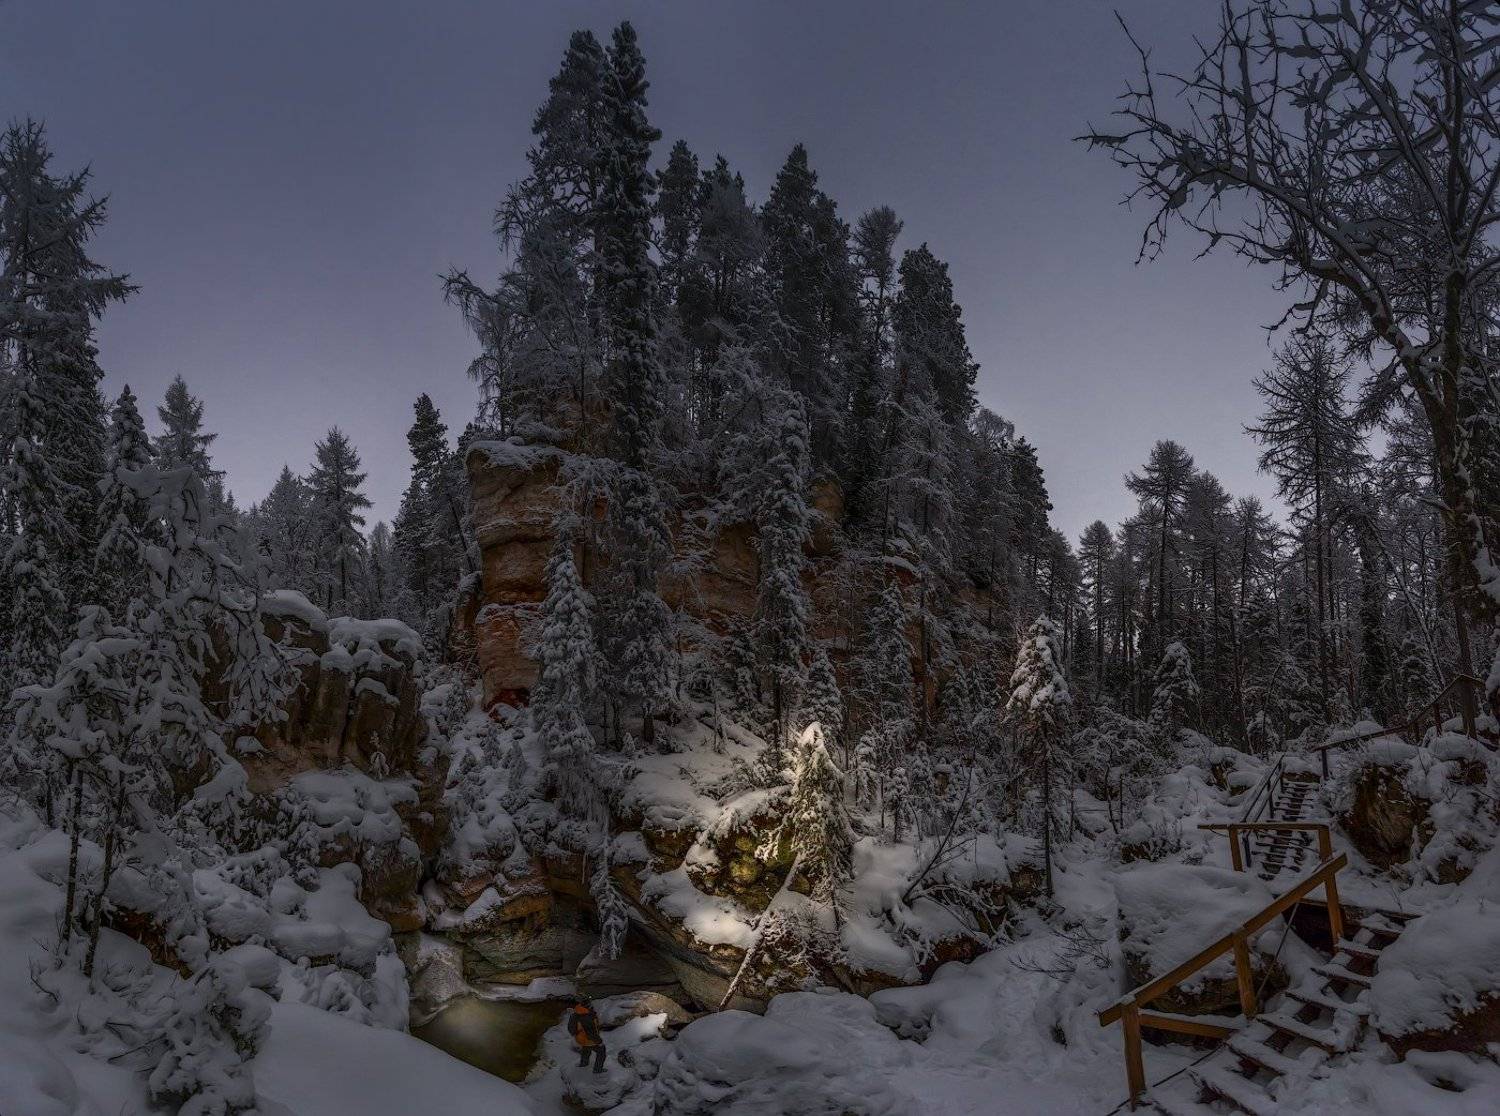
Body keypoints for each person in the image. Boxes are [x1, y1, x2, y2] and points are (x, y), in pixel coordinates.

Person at [567, 995, 607, 1073]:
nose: (591, 1003)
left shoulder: (577, 1011)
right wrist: (599, 1042)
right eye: (589, 1001)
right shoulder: (586, 1016)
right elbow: (591, 1032)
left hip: (580, 1038)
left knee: (586, 1049)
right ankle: (598, 1070)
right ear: (587, 1003)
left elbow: (571, 1029)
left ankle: (583, 1064)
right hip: (588, 1039)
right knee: (601, 1051)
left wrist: (578, 1034)